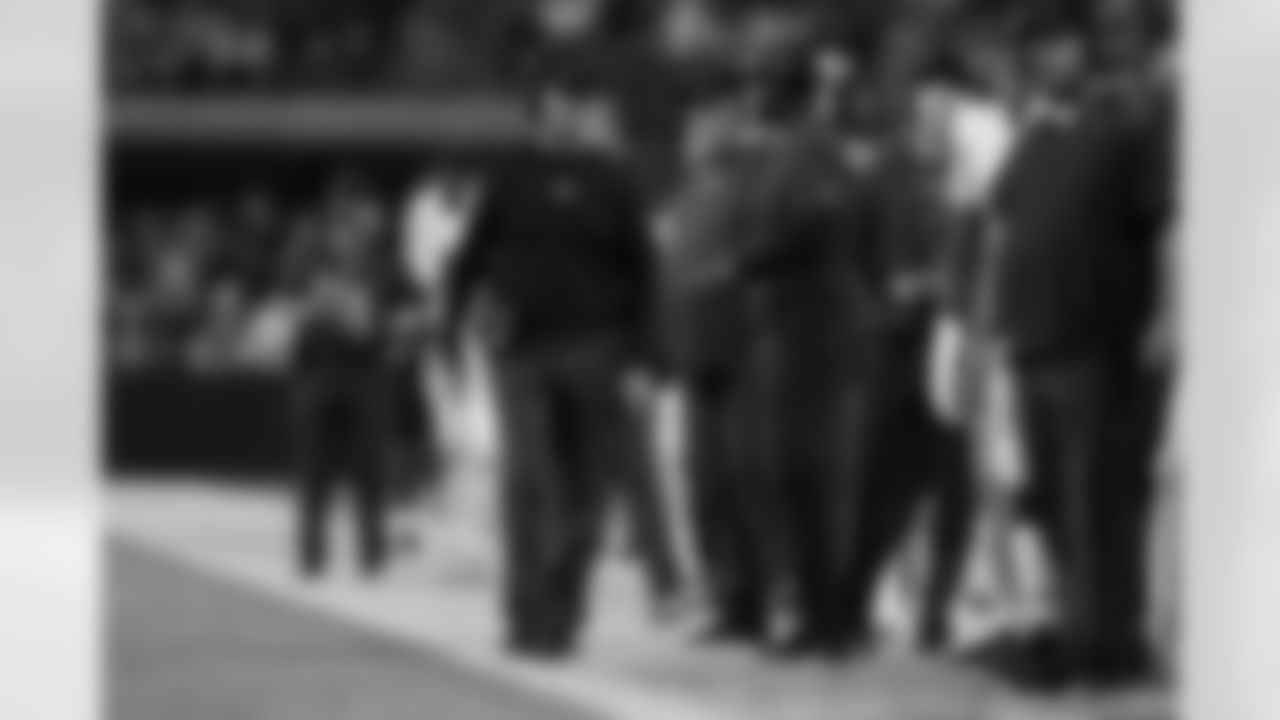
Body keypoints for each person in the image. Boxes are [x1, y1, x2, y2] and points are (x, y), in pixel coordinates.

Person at [444, 75, 664, 659]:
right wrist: (456, 328)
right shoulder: (508, 177)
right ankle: (525, 615)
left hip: (595, 349)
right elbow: (467, 261)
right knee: (526, 483)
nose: (564, 118)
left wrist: (644, 356)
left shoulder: (611, 180)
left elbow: (644, 273)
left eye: (573, 107)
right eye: (552, 109)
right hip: (521, 351)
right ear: (534, 117)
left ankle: (564, 612)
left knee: (586, 495)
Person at [980, 22, 1169, 690]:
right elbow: (1001, 226)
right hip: (1029, 345)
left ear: (1086, 54)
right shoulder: (1033, 142)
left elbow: (1164, 229)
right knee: (1052, 502)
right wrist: (990, 326)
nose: (1049, 56)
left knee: (1098, 501)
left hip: (1094, 345)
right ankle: (1074, 629)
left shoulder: (1127, 135)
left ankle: (1110, 642)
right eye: (1041, 45)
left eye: (1062, 41)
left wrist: (1166, 318)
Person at [740, 59, 883, 658]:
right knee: (796, 477)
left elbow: (821, 223)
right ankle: (817, 615)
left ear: (782, 93)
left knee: (814, 478)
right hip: (799, 327)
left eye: (761, 88)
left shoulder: (814, 148)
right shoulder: (796, 150)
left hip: (816, 334)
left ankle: (830, 622)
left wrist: (752, 262)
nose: (754, 100)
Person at [288, 174, 423, 579]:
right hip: (319, 368)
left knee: (370, 467)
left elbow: (418, 313)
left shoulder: (387, 264)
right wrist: (323, 304)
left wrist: (383, 324)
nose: (359, 223)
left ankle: (372, 552)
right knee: (314, 467)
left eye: (363, 213)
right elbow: (292, 297)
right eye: (348, 214)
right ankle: (311, 553)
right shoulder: (310, 254)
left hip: (368, 373)